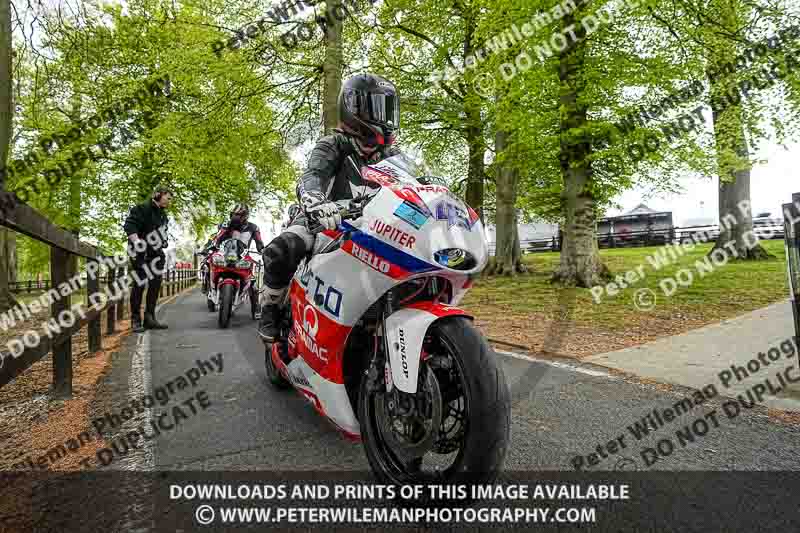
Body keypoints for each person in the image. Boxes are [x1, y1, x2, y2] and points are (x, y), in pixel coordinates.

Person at [258, 73, 401, 340]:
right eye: (377, 107)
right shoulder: (333, 144)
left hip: (374, 224)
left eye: (388, 108)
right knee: (283, 248)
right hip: (323, 218)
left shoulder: (392, 156)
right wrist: (315, 201)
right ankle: (271, 307)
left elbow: (415, 185)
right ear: (353, 109)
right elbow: (313, 175)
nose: (385, 117)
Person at [123, 186, 173, 333]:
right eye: (168, 198)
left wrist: (164, 241)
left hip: (155, 254)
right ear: (158, 195)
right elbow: (129, 225)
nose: (169, 201)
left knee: (156, 284)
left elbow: (163, 232)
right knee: (140, 283)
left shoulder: (163, 215)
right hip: (139, 253)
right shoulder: (141, 208)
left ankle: (149, 318)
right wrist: (136, 240)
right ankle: (135, 319)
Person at [200, 204, 265, 292]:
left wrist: (263, 251)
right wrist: (207, 247)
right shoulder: (226, 224)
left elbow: (259, 243)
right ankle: (206, 285)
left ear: (245, 216)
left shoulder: (253, 227)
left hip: (243, 255)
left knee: (253, 282)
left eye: (238, 215)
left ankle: (255, 303)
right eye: (234, 214)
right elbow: (217, 236)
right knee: (207, 263)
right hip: (224, 253)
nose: (235, 217)